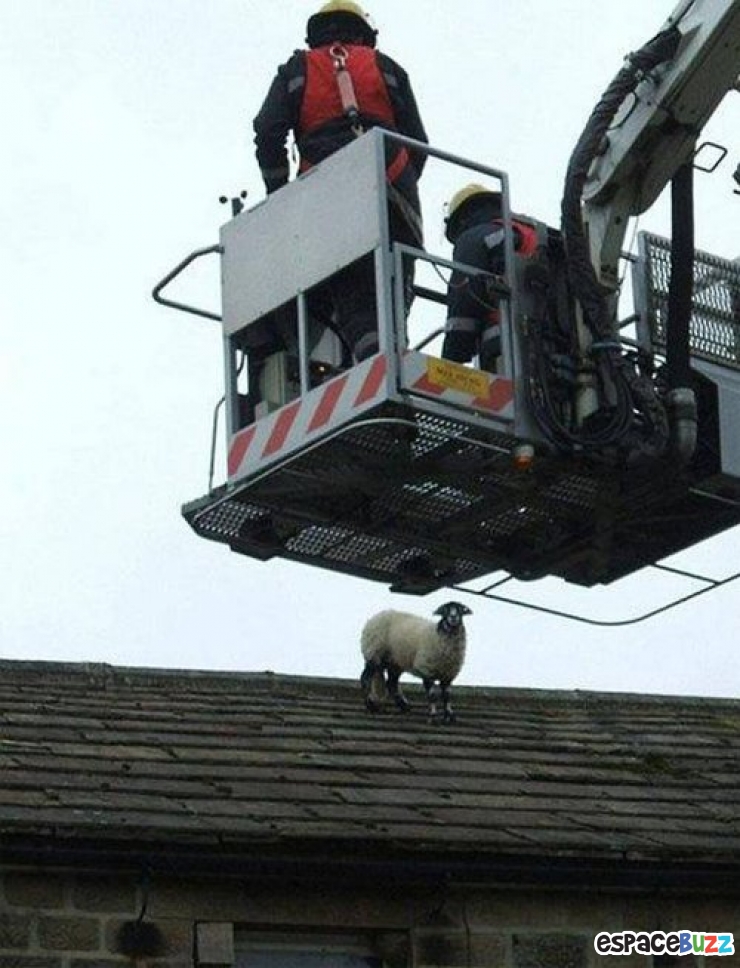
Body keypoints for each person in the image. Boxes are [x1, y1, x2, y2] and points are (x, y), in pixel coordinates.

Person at [253, 0, 428, 362]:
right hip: (395, 179)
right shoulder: (387, 67)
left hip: (325, 188)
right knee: (394, 285)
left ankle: (366, 363)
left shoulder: (297, 69)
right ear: (364, 32)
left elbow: (267, 130)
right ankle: (391, 357)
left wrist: (279, 192)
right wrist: (399, 184)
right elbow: (418, 142)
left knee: (349, 283)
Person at [442, 184, 540, 372]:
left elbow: (465, 301)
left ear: (462, 219)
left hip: (505, 350)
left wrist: (449, 362)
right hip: (556, 355)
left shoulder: (473, 237)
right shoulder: (533, 234)